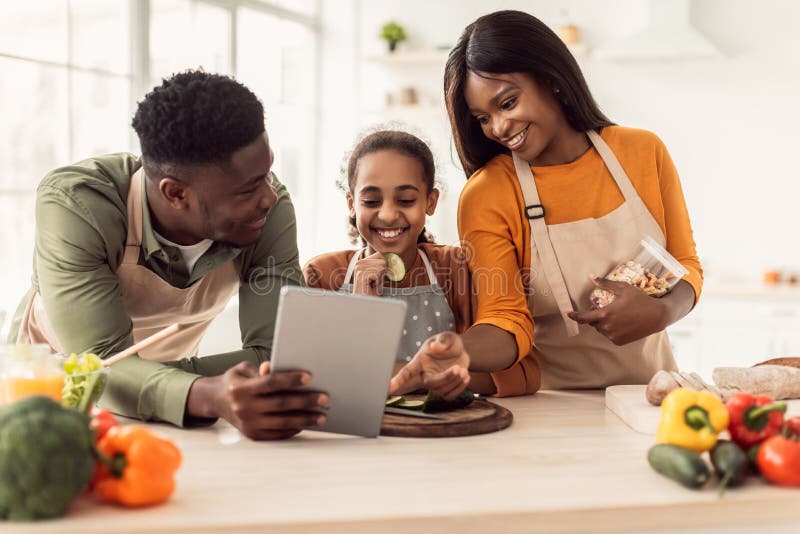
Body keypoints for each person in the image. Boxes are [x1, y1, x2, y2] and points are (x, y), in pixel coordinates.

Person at [9, 70, 327, 440]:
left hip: (175, 413)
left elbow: (278, 354)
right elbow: (98, 366)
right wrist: (202, 392)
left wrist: (168, 388)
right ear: (176, 194)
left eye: (268, 174)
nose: (269, 197)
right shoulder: (77, 205)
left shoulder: (265, 211)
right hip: (43, 403)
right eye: (249, 188)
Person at [442, 10, 703, 389]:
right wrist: (456, 351)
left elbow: (684, 265)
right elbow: (504, 318)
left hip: (654, 395)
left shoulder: (642, 152)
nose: (497, 128)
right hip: (550, 406)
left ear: (552, 80)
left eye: (508, 103)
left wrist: (660, 313)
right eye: (483, 118)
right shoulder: (488, 192)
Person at [303, 129, 536, 397]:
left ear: (430, 201)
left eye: (406, 200)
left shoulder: (457, 268)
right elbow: (316, 380)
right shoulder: (322, 275)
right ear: (351, 204)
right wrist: (361, 310)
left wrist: (396, 375)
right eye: (370, 201)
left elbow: (504, 374)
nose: (388, 214)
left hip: (446, 430)